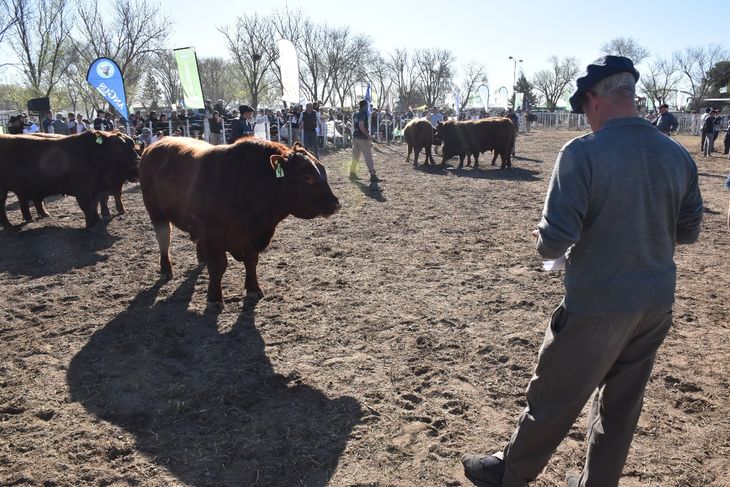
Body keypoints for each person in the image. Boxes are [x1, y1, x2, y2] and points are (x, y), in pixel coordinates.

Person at [461, 55, 704, 487]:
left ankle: (511, 474)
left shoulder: (582, 153)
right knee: (622, 407)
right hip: (655, 302)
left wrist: (549, 244)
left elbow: (555, 239)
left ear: (594, 100)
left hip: (597, 301)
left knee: (554, 394)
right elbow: (688, 232)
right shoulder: (677, 154)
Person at [350, 99, 379, 183]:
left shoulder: (355, 113)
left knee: (355, 156)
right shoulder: (363, 113)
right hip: (362, 138)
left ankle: (352, 173)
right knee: (368, 157)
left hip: (355, 137)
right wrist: (368, 135)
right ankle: (372, 175)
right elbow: (361, 125)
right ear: (365, 105)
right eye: (367, 105)